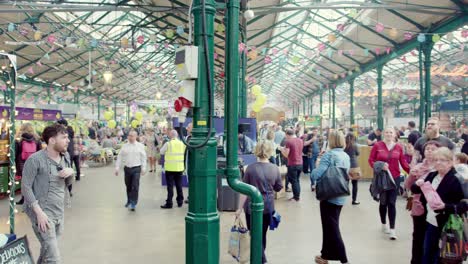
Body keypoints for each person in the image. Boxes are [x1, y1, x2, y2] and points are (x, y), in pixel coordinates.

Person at [21, 124, 74, 264]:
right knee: (53, 258)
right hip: (42, 214)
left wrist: (71, 172)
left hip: (58, 212)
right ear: (52, 140)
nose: (68, 140)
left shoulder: (65, 156)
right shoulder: (35, 160)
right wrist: (39, 213)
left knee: (47, 250)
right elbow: (25, 187)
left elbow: (68, 184)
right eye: (64, 137)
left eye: (67, 137)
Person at [411, 147, 467, 264]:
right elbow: (415, 189)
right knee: (427, 255)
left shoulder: (457, 179)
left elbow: (464, 205)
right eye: (435, 160)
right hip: (430, 222)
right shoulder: (432, 176)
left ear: (450, 162)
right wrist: (417, 184)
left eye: (442, 160)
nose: (438, 162)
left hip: (448, 225)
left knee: (444, 258)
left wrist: (445, 206)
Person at [235, 140, 283, 264]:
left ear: (256, 151)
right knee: (262, 234)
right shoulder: (274, 168)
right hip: (268, 207)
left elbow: (244, 191)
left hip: (251, 208)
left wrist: (239, 208)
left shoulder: (250, 169)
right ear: (270, 152)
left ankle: (261, 259)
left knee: (254, 234)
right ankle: (260, 257)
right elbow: (278, 187)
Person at [311, 131, 350, 264]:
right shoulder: (345, 156)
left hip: (328, 197)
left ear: (331, 141)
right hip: (340, 195)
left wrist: (314, 169)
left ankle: (344, 259)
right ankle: (325, 255)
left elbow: (317, 175)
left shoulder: (329, 155)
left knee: (333, 229)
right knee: (329, 227)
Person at [368, 127, 410, 240]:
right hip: (382, 178)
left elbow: (403, 162)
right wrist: (380, 166)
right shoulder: (377, 146)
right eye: (386, 132)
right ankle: (383, 223)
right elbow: (371, 160)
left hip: (394, 178)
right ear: (383, 134)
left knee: (392, 202)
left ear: (395, 134)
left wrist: (412, 173)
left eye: (391, 132)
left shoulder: (398, 147)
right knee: (383, 202)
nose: (388, 134)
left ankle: (392, 229)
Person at [404, 141, 442, 264]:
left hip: (436, 208)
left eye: (433, 149)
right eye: (427, 149)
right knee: (418, 237)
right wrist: (412, 176)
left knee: (433, 239)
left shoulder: (441, 167)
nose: (429, 151)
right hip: (419, 206)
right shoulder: (417, 167)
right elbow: (408, 185)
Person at [115, 130, 147, 211]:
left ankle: (133, 203)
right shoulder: (124, 146)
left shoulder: (140, 146)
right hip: (127, 169)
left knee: (135, 186)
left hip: (136, 168)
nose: (130, 137)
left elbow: (143, 157)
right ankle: (129, 200)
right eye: (129, 135)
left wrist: (144, 168)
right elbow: (120, 157)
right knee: (128, 186)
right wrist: (117, 168)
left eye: (132, 136)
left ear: (136, 137)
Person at [15, 123, 42, 205]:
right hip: (34, 163)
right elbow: (40, 152)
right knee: (33, 181)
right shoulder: (37, 139)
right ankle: (33, 199)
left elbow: (15, 153)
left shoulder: (19, 140)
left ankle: (24, 199)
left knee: (24, 183)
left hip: (22, 164)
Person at [160, 130, 186, 209]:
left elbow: (161, 152)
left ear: (171, 135)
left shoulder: (168, 144)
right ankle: (180, 202)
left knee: (170, 187)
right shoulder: (182, 144)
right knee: (179, 185)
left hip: (170, 168)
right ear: (177, 135)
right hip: (179, 168)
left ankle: (169, 203)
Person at [279, 128, 303, 201]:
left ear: (287, 134)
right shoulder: (300, 140)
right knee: (297, 180)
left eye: (285, 135)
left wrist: (281, 149)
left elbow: (286, 155)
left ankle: (296, 197)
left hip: (292, 164)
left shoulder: (288, 142)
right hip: (300, 163)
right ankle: (297, 195)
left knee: (294, 181)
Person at [344, 133, 360, 205]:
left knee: (344, 183)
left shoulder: (344, 146)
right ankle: (354, 200)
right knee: (355, 184)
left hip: (345, 166)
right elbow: (358, 153)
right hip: (354, 166)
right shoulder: (355, 145)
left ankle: (342, 199)